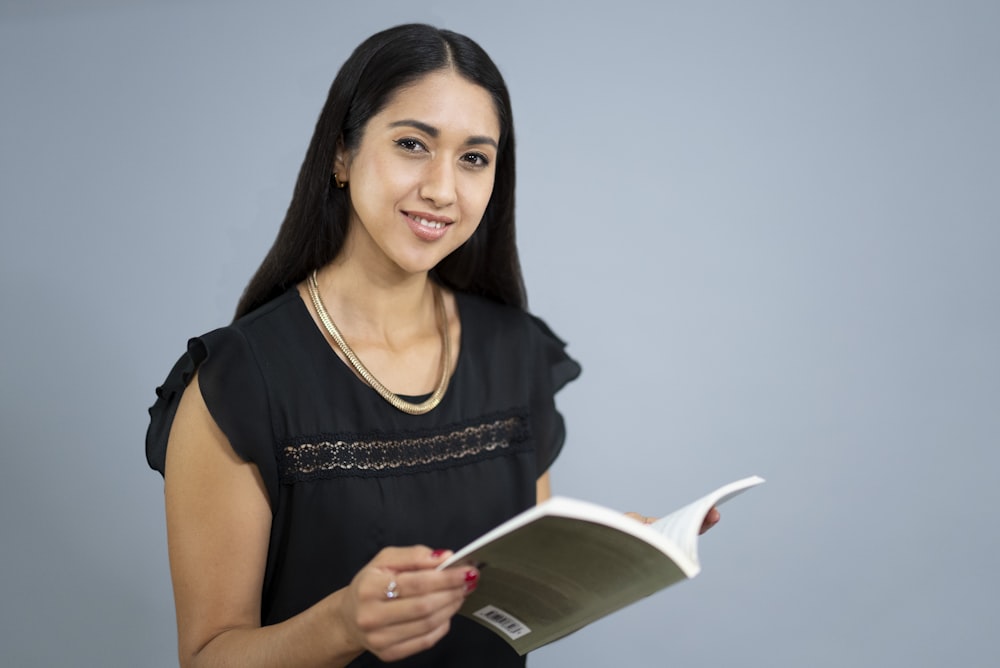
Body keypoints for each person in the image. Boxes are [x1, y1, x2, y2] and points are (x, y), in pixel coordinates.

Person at [146, 23, 719, 667]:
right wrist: (342, 622)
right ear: (341, 153)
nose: (443, 189)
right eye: (413, 144)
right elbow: (206, 658)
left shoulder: (514, 352)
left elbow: (516, 607)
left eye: (474, 158)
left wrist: (605, 561)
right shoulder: (239, 383)